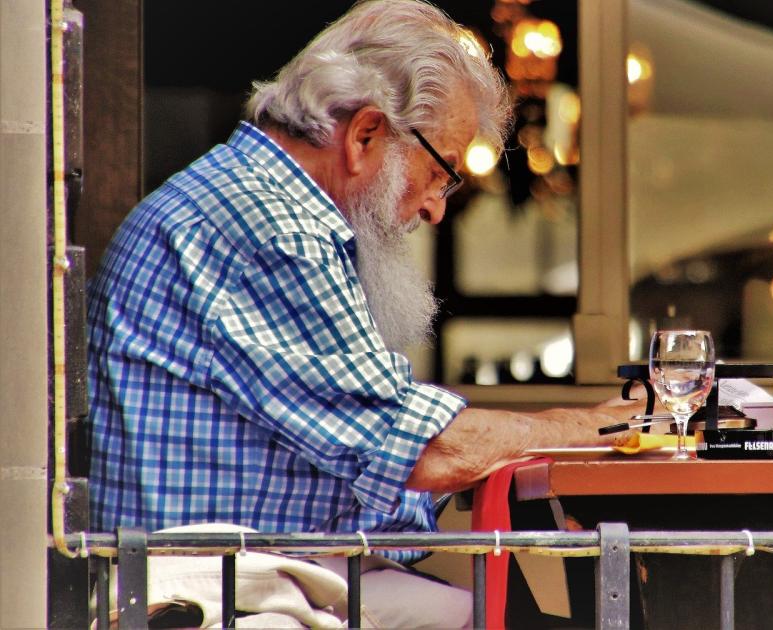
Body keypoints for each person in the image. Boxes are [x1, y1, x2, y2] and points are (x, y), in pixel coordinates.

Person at [85, 1, 638, 626]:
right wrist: (607, 427)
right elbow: (425, 449)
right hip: (214, 598)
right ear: (365, 134)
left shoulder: (255, 202)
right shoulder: (269, 229)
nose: (436, 208)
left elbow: (374, 455)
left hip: (262, 576)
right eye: (442, 172)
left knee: (519, 616)